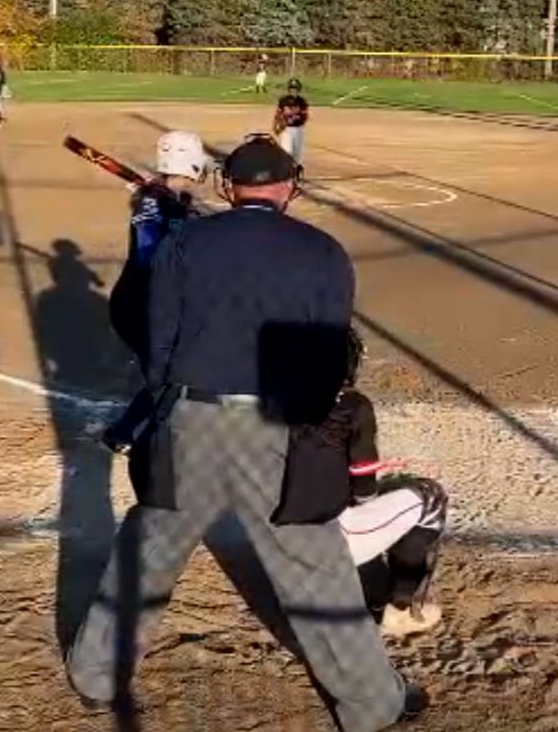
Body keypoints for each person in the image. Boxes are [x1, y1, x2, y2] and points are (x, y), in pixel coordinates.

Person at [65, 136, 427, 730]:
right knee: (314, 565)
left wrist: (170, 403)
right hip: (278, 426)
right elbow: (330, 354)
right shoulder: (322, 250)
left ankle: (95, 675)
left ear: (229, 187)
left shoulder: (184, 242)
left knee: (149, 546)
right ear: (289, 187)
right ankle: (371, 704)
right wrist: (308, 422)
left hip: (190, 418)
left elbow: (157, 337)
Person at [314, 331, 448, 639]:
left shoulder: (270, 406)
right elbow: (363, 480)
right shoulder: (353, 405)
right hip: (325, 541)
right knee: (431, 498)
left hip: (273, 540)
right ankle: (400, 610)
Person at [101, 130, 212, 452]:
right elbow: (149, 255)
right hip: (141, 305)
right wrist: (178, 223)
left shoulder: (167, 200)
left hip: (146, 302)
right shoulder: (158, 203)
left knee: (172, 371)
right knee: (170, 373)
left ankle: (128, 431)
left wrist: (180, 215)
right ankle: (125, 435)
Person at [274, 78, 310, 164]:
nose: (293, 91)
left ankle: (296, 169)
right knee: (287, 151)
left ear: (299, 89)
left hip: (298, 129)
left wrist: (297, 118)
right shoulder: (283, 100)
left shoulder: (302, 101)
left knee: (297, 155)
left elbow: (305, 116)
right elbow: (278, 114)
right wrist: (276, 126)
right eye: (292, 88)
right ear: (289, 89)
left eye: (295, 89)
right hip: (286, 129)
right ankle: (286, 169)